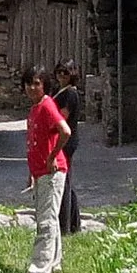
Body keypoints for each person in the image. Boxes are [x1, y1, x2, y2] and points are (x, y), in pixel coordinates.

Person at [23, 65, 68, 273]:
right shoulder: (34, 109)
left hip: (53, 170)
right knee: (50, 218)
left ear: (44, 85)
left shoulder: (47, 104)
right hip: (40, 171)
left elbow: (65, 131)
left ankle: (39, 271)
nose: (32, 88)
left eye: (36, 83)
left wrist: (52, 157)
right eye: (28, 83)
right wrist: (31, 172)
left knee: (45, 222)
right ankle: (55, 263)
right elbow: (34, 143)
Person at [51, 61, 84, 235]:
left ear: (72, 74)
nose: (62, 75)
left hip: (66, 141)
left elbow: (61, 117)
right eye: (59, 71)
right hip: (63, 140)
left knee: (62, 183)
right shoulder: (59, 92)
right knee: (66, 183)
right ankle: (74, 223)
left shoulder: (70, 94)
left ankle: (64, 225)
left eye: (66, 72)